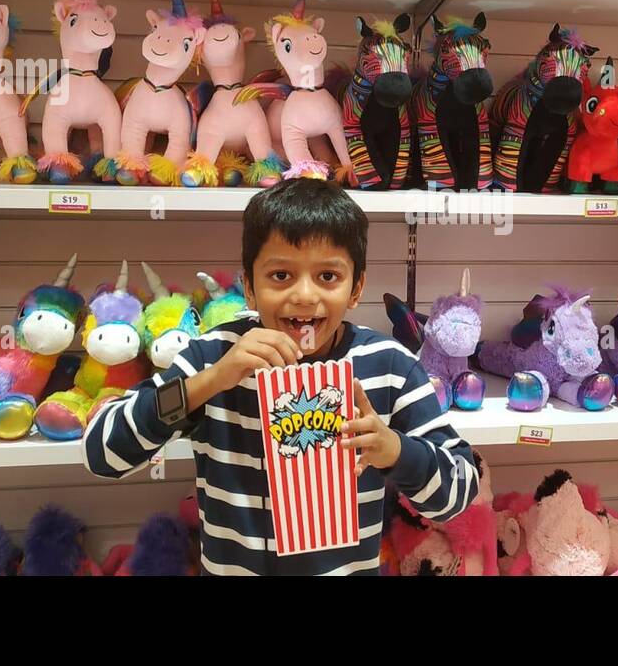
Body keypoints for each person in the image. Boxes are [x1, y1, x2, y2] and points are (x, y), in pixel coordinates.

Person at [83, 178, 478, 575]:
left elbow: (460, 489)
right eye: (280, 276)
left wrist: (394, 450)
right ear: (249, 289)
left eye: (328, 277)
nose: (304, 296)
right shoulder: (215, 355)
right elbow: (101, 452)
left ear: (356, 288)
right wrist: (207, 383)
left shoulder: (387, 366)